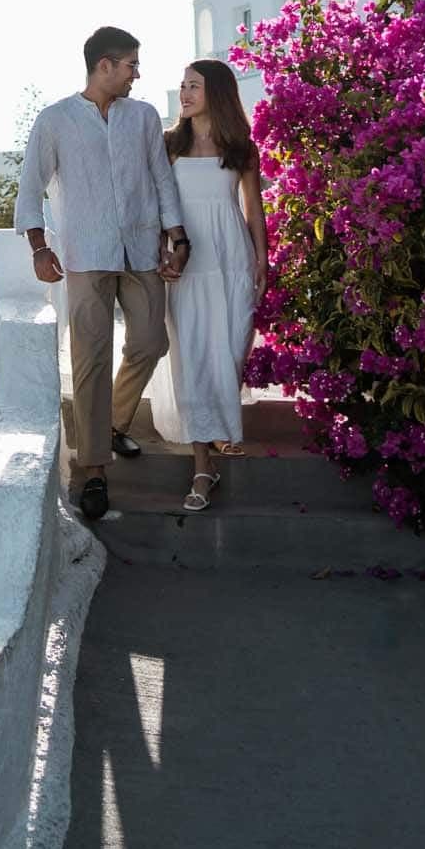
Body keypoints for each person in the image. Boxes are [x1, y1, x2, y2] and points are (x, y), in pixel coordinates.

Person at [15, 26, 189, 523]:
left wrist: (179, 237)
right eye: (131, 64)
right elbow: (30, 187)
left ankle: (111, 420)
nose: (137, 73)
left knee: (151, 340)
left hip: (140, 247)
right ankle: (93, 470)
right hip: (86, 255)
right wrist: (38, 246)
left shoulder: (143, 117)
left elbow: (161, 179)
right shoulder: (56, 120)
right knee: (90, 360)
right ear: (104, 66)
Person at [148, 58, 268, 512]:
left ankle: (224, 426)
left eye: (194, 86)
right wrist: (164, 250)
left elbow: (253, 210)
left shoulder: (241, 147)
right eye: (182, 86)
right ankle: (202, 466)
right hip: (187, 263)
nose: (184, 93)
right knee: (193, 356)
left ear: (215, 92)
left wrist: (263, 259)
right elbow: (159, 205)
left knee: (233, 346)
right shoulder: (168, 145)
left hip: (232, 257)